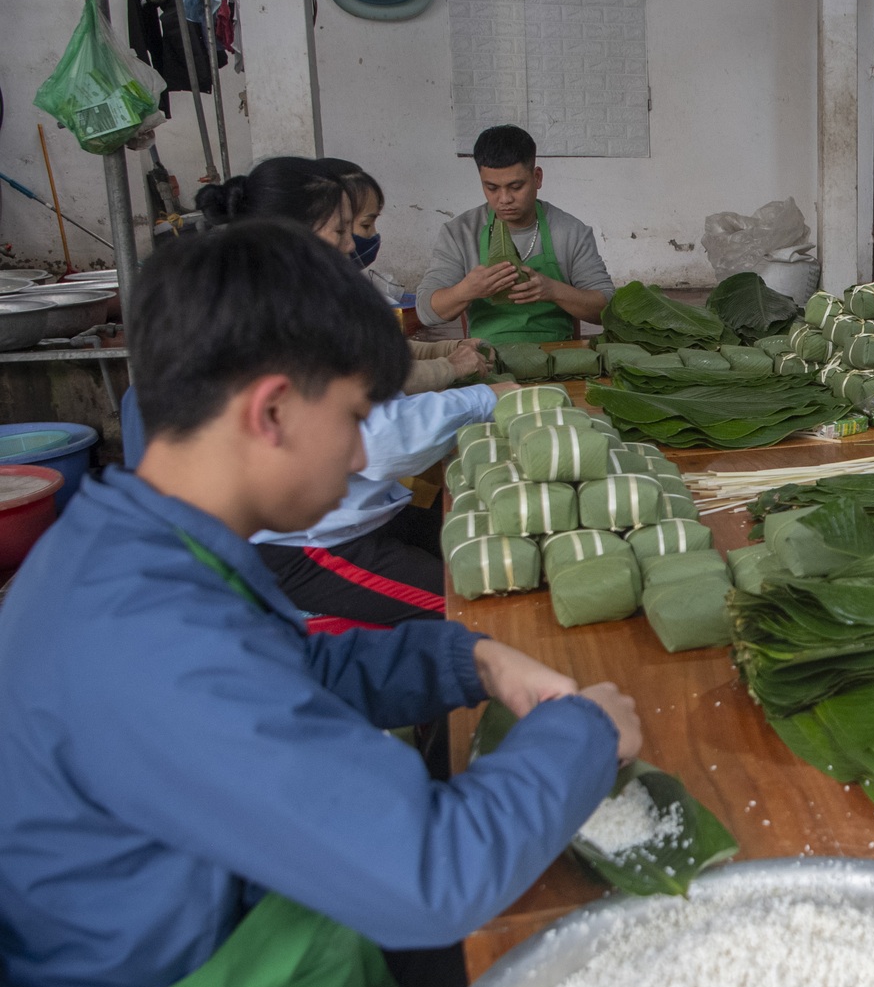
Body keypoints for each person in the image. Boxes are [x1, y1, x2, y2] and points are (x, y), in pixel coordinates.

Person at [0, 220, 643, 987]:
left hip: (246, 956)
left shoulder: (132, 544)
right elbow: (436, 873)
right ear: (270, 411)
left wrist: (469, 660)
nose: (357, 459)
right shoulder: (149, 643)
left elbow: (291, 678)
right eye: (352, 417)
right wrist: (584, 734)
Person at [177, 160, 500, 626]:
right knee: (478, 607)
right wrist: (485, 399)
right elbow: (380, 442)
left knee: (500, 545)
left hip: (363, 513)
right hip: (310, 543)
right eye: (340, 230)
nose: (352, 245)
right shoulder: (278, 328)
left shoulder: (303, 306)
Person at [415, 124, 615, 344]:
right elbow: (426, 310)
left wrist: (553, 290)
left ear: (537, 177)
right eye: (491, 188)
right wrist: (467, 290)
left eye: (516, 186)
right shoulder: (459, 233)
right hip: (487, 360)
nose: (504, 199)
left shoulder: (571, 231)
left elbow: (607, 307)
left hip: (558, 356)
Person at [322, 157, 489, 394]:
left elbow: (381, 351)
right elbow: (372, 376)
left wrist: (451, 348)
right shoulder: (306, 305)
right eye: (366, 225)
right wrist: (452, 369)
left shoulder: (342, 291)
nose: (351, 244)